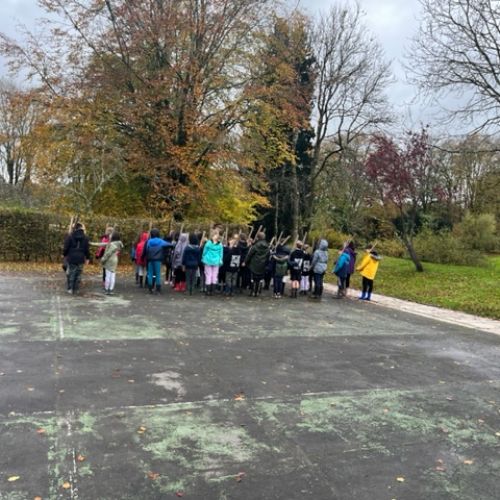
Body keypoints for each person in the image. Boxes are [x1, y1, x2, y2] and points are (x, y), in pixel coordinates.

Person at [63, 222, 90, 295]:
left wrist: (64, 254)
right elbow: (87, 250)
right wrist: (87, 258)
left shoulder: (70, 236)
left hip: (71, 257)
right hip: (81, 258)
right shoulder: (85, 237)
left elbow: (66, 247)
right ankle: (76, 288)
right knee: (78, 274)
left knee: (71, 273)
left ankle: (70, 288)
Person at [143, 228, 172, 294]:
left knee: (150, 273)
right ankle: (158, 289)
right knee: (158, 274)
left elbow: (146, 249)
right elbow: (169, 244)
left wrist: (144, 257)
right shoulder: (160, 241)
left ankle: (150, 288)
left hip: (150, 259)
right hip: (158, 260)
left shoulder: (149, 241)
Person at [244, 232, 270, 297]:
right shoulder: (267, 246)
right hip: (262, 264)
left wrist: (245, 262)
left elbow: (250, 254)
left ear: (258, 237)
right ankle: (257, 292)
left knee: (253, 279)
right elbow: (268, 256)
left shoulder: (255, 245)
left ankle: (252, 291)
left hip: (254, 264)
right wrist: (266, 264)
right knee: (259, 279)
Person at [201, 231, 223, 296]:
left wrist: (203, 258)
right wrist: (220, 260)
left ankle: (208, 291)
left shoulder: (208, 243)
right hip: (216, 261)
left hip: (208, 260)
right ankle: (212, 291)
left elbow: (204, 252)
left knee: (208, 275)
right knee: (214, 275)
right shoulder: (220, 244)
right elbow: (221, 254)